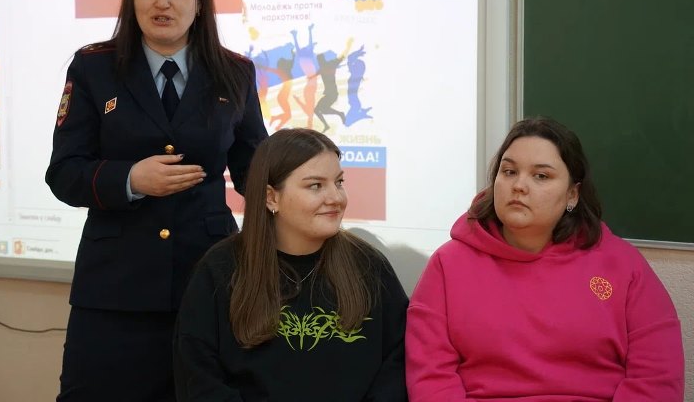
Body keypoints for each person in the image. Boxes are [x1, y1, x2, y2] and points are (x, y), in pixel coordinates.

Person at [45, 0, 268, 401]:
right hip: (113, 289)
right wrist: (130, 179)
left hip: (206, 279)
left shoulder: (235, 72)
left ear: (200, 2)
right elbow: (64, 172)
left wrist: (296, 191)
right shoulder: (93, 68)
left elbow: (255, 167)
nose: (161, 2)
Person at [406, 117, 684, 401]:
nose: (519, 186)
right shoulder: (448, 265)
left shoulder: (623, 265)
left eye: (541, 176)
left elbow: (657, 376)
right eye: (509, 171)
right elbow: (431, 377)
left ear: (572, 194)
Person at [173, 128, 408, 401]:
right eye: (315, 186)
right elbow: (198, 373)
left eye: (339, 182)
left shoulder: (369, 266)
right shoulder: (220, 269)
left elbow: (398, 362)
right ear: (271, 197)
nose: (336, 198)